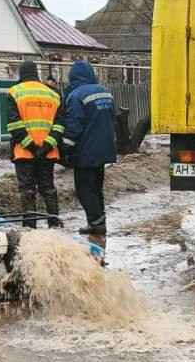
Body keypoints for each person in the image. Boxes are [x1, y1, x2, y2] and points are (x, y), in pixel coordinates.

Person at [61, 60, 117, 238]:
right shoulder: (105, 92)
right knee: (96, 187)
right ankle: (98, 221)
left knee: (85, 189)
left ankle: (96, 224)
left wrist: (65, 148)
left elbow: (74, 126)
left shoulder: (76, 95)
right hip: (105, 149)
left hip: (86, 151)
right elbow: (113, 120)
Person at [6, 59, 63, 228]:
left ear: (21, 73)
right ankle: (54, 225)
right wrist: (46, 147)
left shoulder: (15, 92)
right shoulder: (53, 94)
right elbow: (59, 125)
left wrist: (31, 147)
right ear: (37, 73)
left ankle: (30, 229)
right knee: (48, 188)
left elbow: (14, 125)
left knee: (27, 190)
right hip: (48, 152)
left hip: (24, 152)